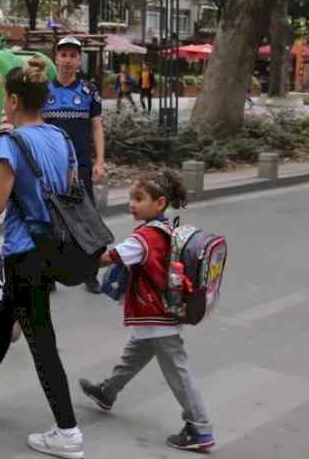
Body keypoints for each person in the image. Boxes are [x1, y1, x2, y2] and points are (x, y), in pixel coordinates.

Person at [0, 56, 86, 459]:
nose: (3, 103)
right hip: (54, 247)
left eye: (5, 96)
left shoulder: (10, 143)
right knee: (4, 318)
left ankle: (68, 431)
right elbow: (70, 192)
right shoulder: (62, 138)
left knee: (41, 342)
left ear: (15, 100)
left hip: (24, 252)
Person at [78, 170, 216, 454]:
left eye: (139, 198)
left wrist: (76, 260)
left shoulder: (147, 236)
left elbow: (110, 257)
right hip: (155, 314)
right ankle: (107, 392)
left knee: (178, 372)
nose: (132, 203)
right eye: (131, 198)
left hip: (156, 314)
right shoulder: (163, 228)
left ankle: (200, 428)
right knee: (133, 356)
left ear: (160, 203)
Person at [43, 36, 107, 294]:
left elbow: (97, 127)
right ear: (56, 58)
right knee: (48, 220)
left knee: (87, 221)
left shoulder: (89, 91)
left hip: (80, 167)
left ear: (79, 60)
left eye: (73, 55)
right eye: (64, 54)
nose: (68, 60)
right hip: (48, 167)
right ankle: (48, 274)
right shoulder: (43, 90)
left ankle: (90, 273)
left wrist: (100, 161)